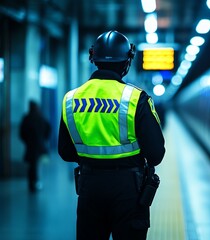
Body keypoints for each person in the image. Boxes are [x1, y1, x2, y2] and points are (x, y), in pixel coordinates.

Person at [57, 30, 165, 240]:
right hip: (129, 189)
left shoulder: (71, 99)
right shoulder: (136, 99)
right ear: (127, 61)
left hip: (90, 187)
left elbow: (65, 152)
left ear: (93, 58)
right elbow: (155, 155)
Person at [19, 100, 51, 193]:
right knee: (38, 165)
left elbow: (21, 133)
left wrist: (27, 141)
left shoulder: (26, 118)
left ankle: (31, 184)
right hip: (40, 145)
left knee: (31, 165)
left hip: (30, 146)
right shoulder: (41, 117)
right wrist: (44, 139)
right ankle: (37, 182)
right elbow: (48, 128)